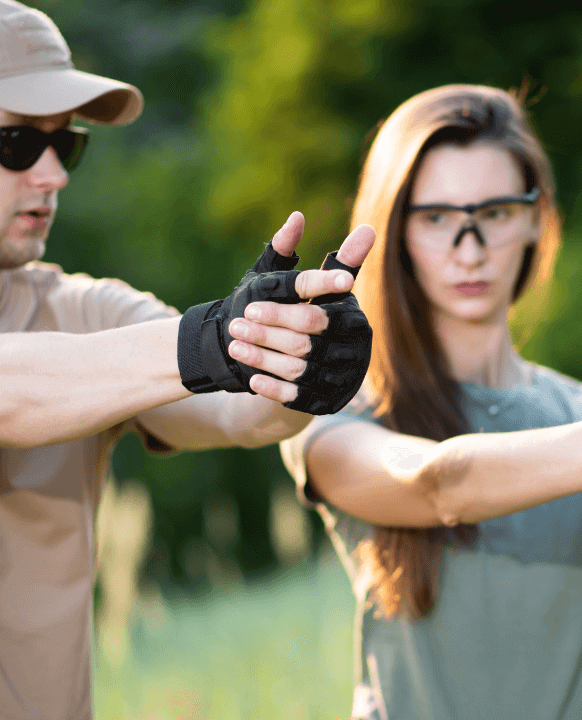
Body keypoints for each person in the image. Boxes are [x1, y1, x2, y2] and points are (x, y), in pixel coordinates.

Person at [278, 85, 582, 720]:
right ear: (396, 233)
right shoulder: (335, 413)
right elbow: (438, 484)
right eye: (436, 218)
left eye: (496, 212)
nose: (470, 247)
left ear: (536, 220)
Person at [0, 2, 374, 719]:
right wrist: (210, 341)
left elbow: (236, 412)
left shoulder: (85, 312)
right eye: (17, 143)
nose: (54, 175)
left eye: (67, 146)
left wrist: (288, 355)